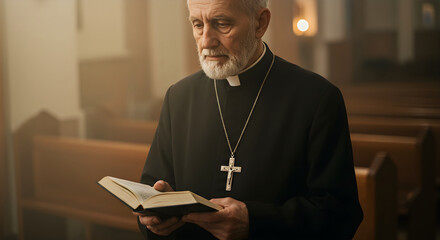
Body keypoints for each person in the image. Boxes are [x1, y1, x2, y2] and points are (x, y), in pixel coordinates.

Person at [134, 0, 363, 239]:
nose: (206, 41)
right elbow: (151, 189)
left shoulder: (317, 98)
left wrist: (255, 222)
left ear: (260, 23)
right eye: (197, 24)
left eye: (221, 24)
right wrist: (154, 218)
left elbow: (339, 213)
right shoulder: (178, 97)